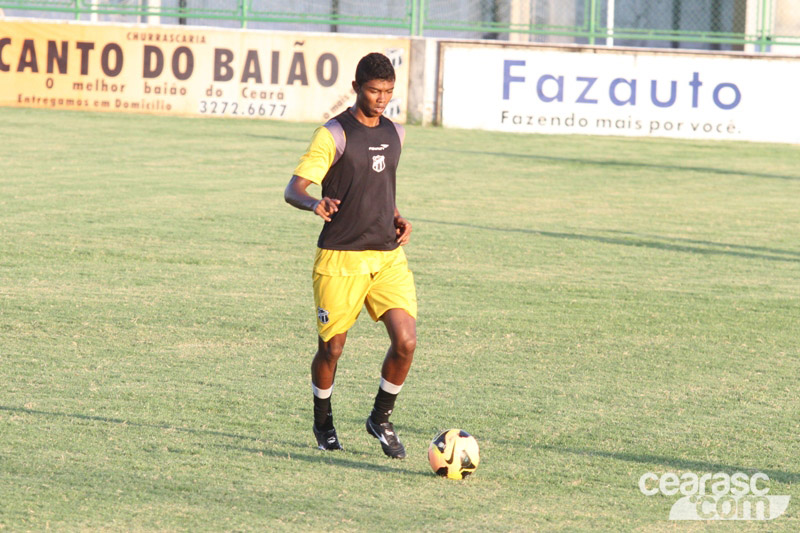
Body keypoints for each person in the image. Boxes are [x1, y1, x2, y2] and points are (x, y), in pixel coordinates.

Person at [284, 52, 417, 459]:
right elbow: (294, 188)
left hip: (387, 258)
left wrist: (395, 215)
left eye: (389, 92)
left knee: (406, 342)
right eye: (374, 91)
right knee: (332, 350)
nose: (382, 99)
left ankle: (380, 418)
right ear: (356, 87)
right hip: (340, 259)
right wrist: (314, 205)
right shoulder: (334, 134)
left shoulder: (397, 132)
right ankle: (323, 421)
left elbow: (377, 186)